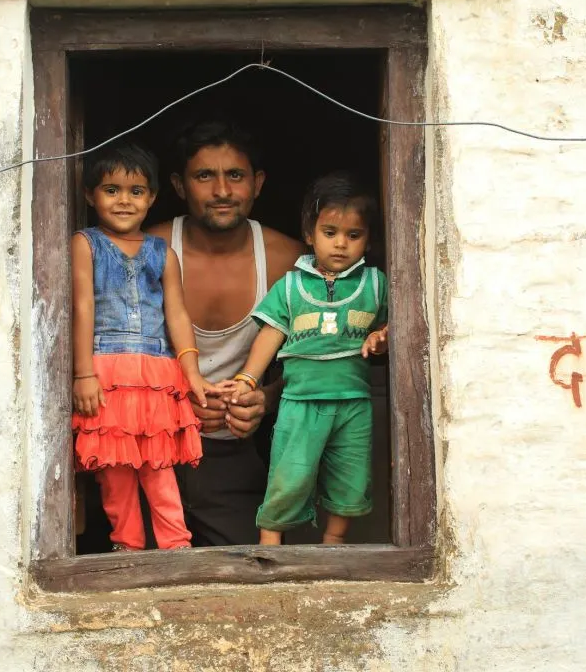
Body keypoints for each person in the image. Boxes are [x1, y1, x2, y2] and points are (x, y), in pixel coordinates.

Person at [147, 121, 305, 546]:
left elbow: (323, 358)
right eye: (204, 176)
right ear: (179, 185)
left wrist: (264, 401)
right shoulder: (147, 249)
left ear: (257, 183)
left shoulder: (287, 259)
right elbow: (106, 342)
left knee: (250, 578)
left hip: (236, 455)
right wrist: (177, 400)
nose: (221, 190)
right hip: (150, 449)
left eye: (235, 175)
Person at [229, 172, 389, 545]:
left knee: (351, 476)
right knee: (289, 473)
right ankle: (270, 545)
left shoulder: (377, 284)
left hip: (353, 403)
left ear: (368, 239)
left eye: (354, 235)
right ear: (309, 233)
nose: (340, 244)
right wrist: (248, 379)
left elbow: (395, 327)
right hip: (298, 402)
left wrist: (383, 337)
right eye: (330, 232)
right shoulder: (290, 286)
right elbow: (271, 333)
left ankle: (333, 543)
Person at [71, 143, 216, 551]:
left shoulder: (162, 252)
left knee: (158, 467)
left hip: (156, 374)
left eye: (136, 191)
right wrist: (83, 374)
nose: (124, 200)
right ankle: (127, 546)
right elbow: (81, 307)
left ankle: (175, 546)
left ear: (152, 197)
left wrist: (192, 375)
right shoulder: (85, 244)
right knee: (115, 470)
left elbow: (178, 316)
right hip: (107, 373)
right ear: (90, 196)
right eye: (111, 189)